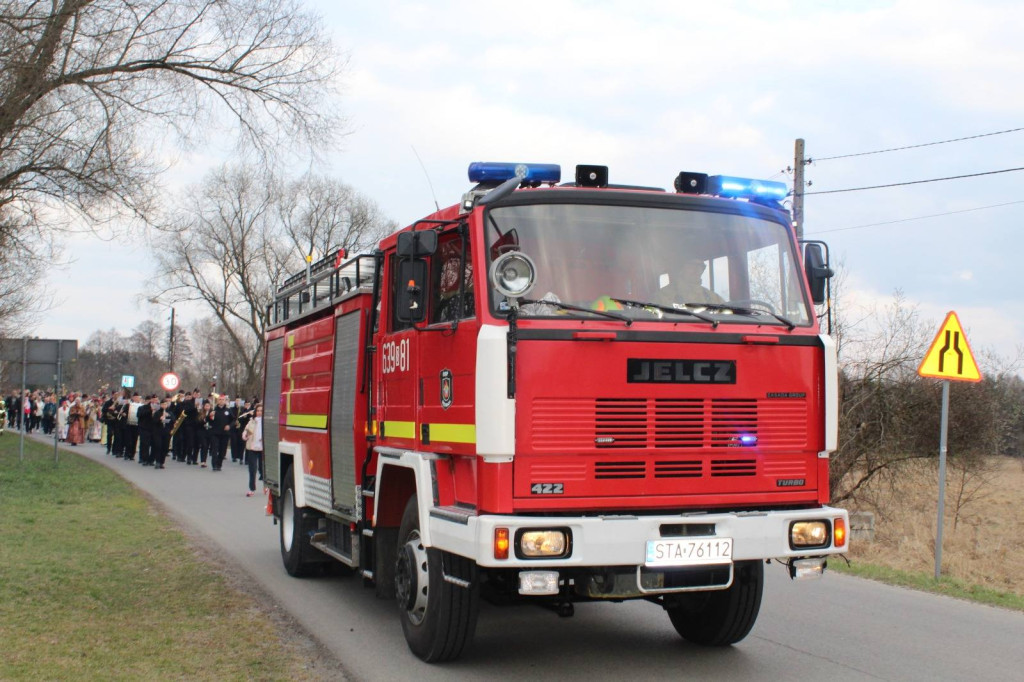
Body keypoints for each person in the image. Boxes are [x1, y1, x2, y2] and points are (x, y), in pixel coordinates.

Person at [653, 257, 725, 306]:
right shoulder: (663, 296)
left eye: (701, 266)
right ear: (681, 268)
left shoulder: (713, 297)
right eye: (692, 265)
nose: (698, 270)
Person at [242, 404, 264, 496]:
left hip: (262, 448)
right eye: (258, 411)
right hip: (252, 447)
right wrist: (245, 435)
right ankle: (252, 488)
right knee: (252, 469)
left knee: (262, 469)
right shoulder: (251, 421)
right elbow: (245, 431)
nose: (259, 412)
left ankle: (266, 486)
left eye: (261, 411)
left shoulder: (266, 421)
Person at [209, 394, 234, 471]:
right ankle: (214, 464)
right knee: (215, 449)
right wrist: (210, 416)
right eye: (220, 399)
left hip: (225, 434)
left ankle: (219, 464)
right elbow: (209, 421)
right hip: (215, 433)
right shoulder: (214, 410)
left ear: (225, 401)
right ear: (217, 401)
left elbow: (233, 420)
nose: (221, 401)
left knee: (222, 450)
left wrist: (229, 426)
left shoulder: (228, 410)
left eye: (223, 400)